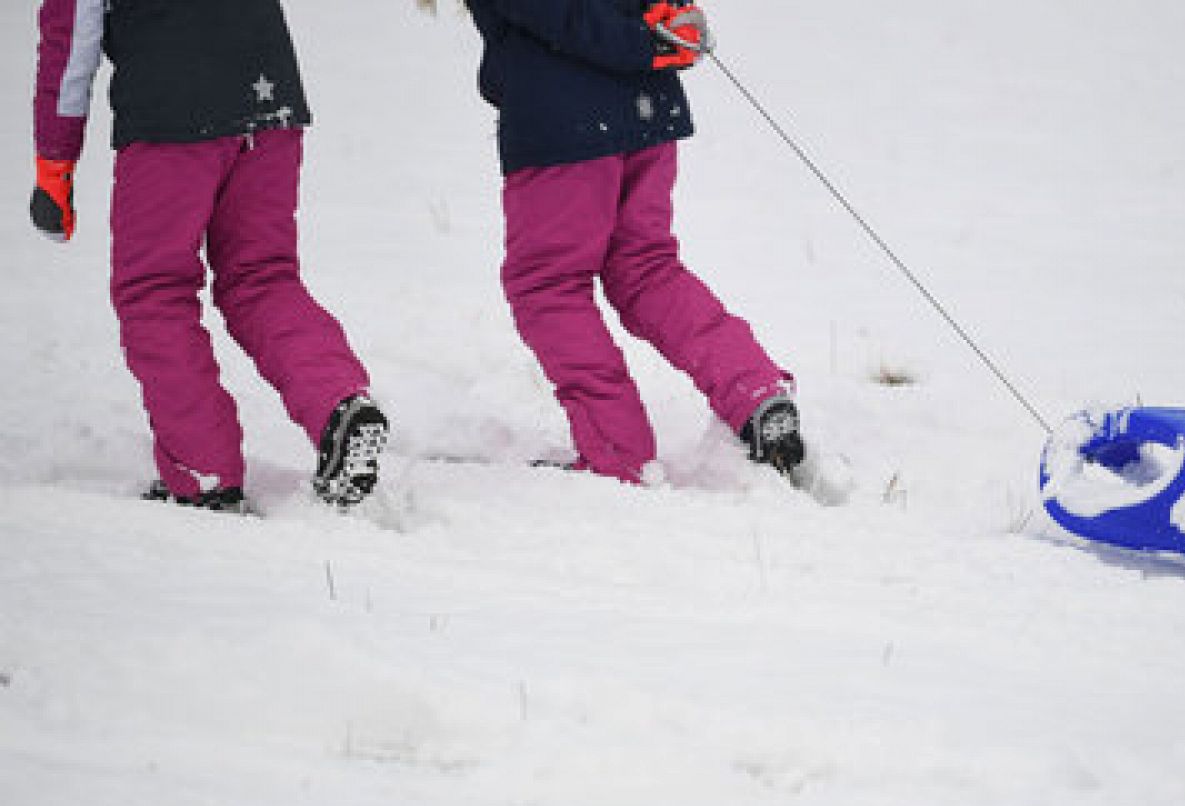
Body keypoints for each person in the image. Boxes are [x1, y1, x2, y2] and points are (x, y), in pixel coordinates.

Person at [30, 0, 389, 511]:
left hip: (172, 111)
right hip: (269, 91)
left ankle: (205, 472)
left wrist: (55, 163)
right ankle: (339, 405)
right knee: (263, 277)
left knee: (154, 292)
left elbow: (72, 35)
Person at [431, 0, 805, 484]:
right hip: (644, 111)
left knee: (548, 285)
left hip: (566, 126)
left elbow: (560, 16)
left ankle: (617, 451)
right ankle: (754, 390)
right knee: (646, 269)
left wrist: (647, 42)